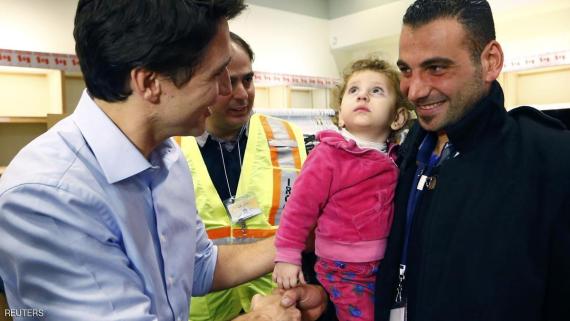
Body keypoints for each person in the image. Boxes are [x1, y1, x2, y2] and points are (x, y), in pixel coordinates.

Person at [0, 1, 325, 320]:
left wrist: (299, 239)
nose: (229, 91)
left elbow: (200, 266)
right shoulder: (47, 198)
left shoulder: (166, 158)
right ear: (150, 84)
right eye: (216, 75)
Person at [374, 1, 570, 321]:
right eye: (406, 70)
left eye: (436, 68)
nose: (415, 90)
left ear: (490, 61)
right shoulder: (407, 152)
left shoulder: (549, 160)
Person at [180, 32, 307, 321]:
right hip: (204, 309)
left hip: (281, 303)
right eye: (228, 83)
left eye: (247, 80)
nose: (241, 94)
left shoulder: (286, 138)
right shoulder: (169, 149)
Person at [273, 58, 410, 321]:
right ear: (341, 115)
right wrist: (287, 255)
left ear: (397, 117)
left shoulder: (396, 159)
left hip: (381, 264)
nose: (363, 96)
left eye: (376, 91)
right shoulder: (329, 155)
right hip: (342, 268)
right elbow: (300, 208)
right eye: (353, 90)